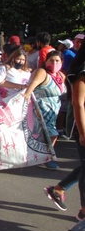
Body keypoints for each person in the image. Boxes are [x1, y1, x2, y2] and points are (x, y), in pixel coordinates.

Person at [44, 40, 85, 218]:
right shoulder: (83, 71)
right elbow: (78, 103)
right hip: (82, 124)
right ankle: (84, 210)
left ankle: (59, 189)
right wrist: (83, 133)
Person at [23, 50, 66, 170]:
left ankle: (41, 156)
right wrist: (26, 95)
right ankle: (48, 157)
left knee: (44, 134)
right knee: (51, 133)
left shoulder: (60, 75)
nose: (54, 63)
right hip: (41, 107)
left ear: (61, 62)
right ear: (46, 61)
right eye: (51, 60)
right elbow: (33, 84)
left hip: (54, 110)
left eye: (57, 61)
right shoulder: (42, 72)